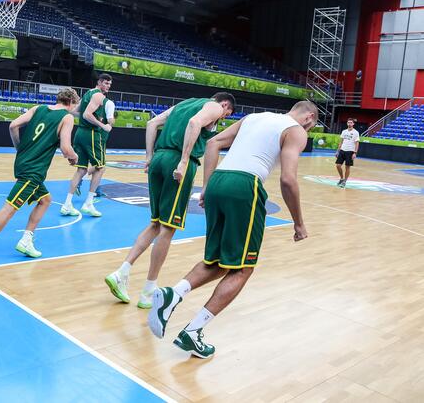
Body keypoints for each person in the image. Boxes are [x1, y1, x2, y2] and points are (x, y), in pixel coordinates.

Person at [147, 101, 318, 359]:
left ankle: (173, 294)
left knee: (216, 261)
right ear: (309, 117)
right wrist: (299, 222)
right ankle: (193, 332)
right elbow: (288, 179)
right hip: (245, 185)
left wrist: (206, 186)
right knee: (243, 268)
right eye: (313, 123)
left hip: (219, 180)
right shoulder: (296, 130)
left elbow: (213, 143)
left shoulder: (255, 116)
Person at [104, 92, 235, 309]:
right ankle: (148, 290)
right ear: (224, 104)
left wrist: (148, 157)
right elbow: (194, 123)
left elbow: (152, 123)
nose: (223, 117)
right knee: (168, 228)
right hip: (177, 161)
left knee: (155, 223)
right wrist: (184, 161)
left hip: (158, 159)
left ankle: (122, 272)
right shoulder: (214, 107)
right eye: (227, 113)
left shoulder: (184, 102)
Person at [0, 88, 80, 270]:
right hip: (33, 170)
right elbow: (66, 147)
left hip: (22, 162)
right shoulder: (67, 117)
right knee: (9, 208)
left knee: (45, 200)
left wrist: (20, 147)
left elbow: (13, 126)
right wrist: (74, 157)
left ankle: (26, 240)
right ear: (71, 102)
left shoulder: (38, 108)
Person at [60, 73, 113, 217]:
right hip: (91, 134)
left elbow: (75, 112)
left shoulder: (88, 93)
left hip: (80, 134)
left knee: (81, 170)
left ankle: (67, 205)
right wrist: (102, 125)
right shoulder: (98, 96)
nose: (108, 86)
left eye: (110, 84)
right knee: (101, 167)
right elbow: (86, 115)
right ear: (100, 82)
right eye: (106, 83)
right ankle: (89, 203)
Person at [76, 96, 116, 198]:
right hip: (99, 136)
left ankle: (96, 189)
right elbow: (111, 121)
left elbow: (77, 113)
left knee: (97, 164)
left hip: (87, 134)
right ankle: (80, 179)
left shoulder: (90, 100)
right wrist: (113, 120)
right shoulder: (109, 103)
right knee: (100, 165)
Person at [335, 118, 359, 188]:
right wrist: (337, 151)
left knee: (347, 167)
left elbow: (357, 143)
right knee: (338, 165)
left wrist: (355, 153)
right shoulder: (344, 131)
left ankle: (344, 181)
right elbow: (341, 142)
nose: (349, 124)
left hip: (350, 151)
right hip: (342, 150)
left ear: (353, 124)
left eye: (351, 122)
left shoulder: (356, 132)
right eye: (348, 122)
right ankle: (342, 178)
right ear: (347, 123)